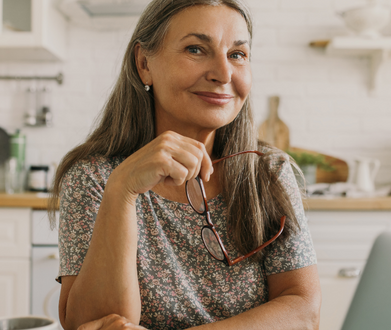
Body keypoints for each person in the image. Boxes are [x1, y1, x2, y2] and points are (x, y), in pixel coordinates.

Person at [48, 1, 321, 329]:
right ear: (144, 63)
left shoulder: (269, 172)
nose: (222, 73)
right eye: (196, 49)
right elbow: (91, 325)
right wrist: (121, 191)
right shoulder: (94, 179)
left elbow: (304, 312)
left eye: (237, 54)